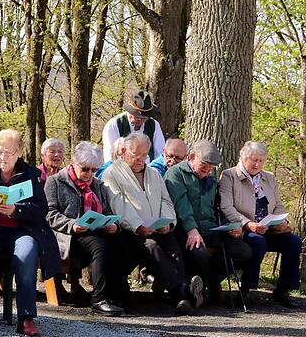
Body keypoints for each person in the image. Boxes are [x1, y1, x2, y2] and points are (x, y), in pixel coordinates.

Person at [0, 129, 61, 337]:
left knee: (27, 253)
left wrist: (17, 210)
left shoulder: (31, 174)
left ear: (19, 153)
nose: (3, 157)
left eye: (8, 152)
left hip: (21, 231)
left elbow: (41, 209)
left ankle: (26, 318)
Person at [102, 132, 202, 314]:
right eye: (136, 155)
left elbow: (166, 200)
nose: (140, 160)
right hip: (130, 232)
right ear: (123, 151)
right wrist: (138, 226)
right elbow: (119, 205)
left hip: (156, 227)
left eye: (144, 155)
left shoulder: (153, 174)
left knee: (172, 245)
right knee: (152, 247)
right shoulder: (111, 174)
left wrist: (168, 223)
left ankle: (182, 295)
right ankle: (182, 292)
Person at [45, 141, 129, 316]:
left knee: (121, 241)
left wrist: (113, 225)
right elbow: (50, 214)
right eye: (85, 169)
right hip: (69, 235)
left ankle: (117, 295)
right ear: (73, 163)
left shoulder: (98, 184)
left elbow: (107, 211)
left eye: (94, 170)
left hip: (96, 230)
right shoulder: (55, 182)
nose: (89, 174)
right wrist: (72, 225)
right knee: (101, 246)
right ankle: (99, 299)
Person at [165, 140, 250, 305]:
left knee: (243, 251)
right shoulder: (176, 174)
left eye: (211, 166)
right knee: (200, 254)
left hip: (211, 229)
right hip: (185, 230)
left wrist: (230, 226)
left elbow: (218, 207)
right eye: (204, 164)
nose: (207, 169)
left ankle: (208, 281)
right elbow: (181, 206)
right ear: (191, 157)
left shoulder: (210, 179)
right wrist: (192, 230)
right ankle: (195, 289)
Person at [219, 141, 302, 308]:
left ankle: (283, 290)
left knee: (293, 242)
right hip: (243, 229)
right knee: (258, 241)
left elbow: (278, 205)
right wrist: (248, 224)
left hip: (268, 228)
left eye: (261, 161)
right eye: (254, 160)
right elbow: (226, 207)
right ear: (243, 157)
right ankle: (246, 289)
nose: (257, 164)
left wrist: (281, 221)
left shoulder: (269, 177)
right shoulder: (229, 176)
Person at [102, 89, 165, 163]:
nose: (140, 120)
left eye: (144, 118)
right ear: (130, 111)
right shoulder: (114, 125)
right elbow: (110, 158)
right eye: (137, 116)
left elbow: (160, 155)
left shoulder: (154, 125)